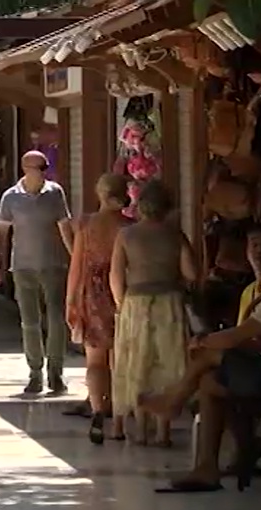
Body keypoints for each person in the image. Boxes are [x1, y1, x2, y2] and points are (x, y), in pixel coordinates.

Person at [142, 244, 261, 492]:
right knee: (210, 382)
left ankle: (174, 402)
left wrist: (202, 340)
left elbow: (234, 337)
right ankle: (207, 463)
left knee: (211, 357)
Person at [109, 180, 197, 447]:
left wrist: (121, 304)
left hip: (136, 302)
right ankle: (163, 431)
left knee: (137, 362)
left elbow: (115, 275)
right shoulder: (175, 235)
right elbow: (192, 273)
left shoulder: (126, 235)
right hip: (169, 302)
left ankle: (141, 429)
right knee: (167, 363)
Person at [0, 150, 74, 395]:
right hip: (23, 266)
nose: (45, 171)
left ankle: (55, 373)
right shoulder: (10, 198)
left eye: (46, 167)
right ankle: (35, 373)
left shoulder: (55, 193)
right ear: (27, 168)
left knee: (57, 320)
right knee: (30, 322)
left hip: (53, 265)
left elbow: (65, 229)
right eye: (41, 166)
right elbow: (1, 233)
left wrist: (76, 259)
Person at [65, 174, 133, 444]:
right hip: (122, 290)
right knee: (119, 357)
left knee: (94, 359)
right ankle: (118, 415)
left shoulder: (86, 224)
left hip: (91, 292)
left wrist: (70, 299)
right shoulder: (129, 226)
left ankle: (96, 410)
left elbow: (76, 265)